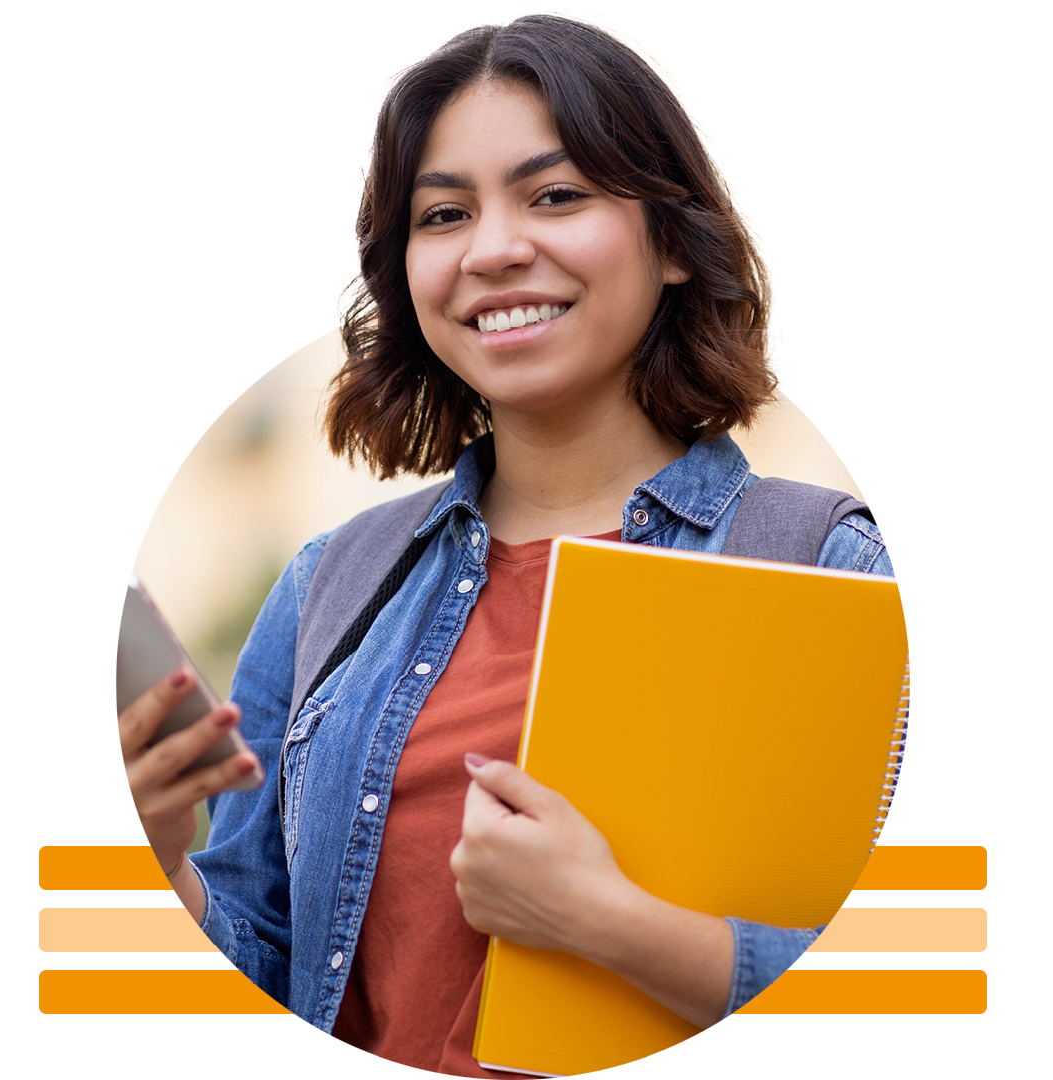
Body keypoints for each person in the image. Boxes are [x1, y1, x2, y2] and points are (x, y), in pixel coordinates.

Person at [118, 12, 893, 1075]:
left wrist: (612, 925)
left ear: (673, 238)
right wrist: (157, 867)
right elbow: (264, 974)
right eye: (444, 213)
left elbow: (926, 992)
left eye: (556, 195)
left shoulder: (827, 565)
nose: (492, 250)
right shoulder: (331, 585)